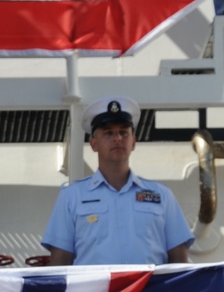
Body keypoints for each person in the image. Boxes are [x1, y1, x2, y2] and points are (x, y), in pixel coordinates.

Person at [41, 97, 192, 266]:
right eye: (108, 133)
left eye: (123, 132)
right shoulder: (71, 197)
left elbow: (179, 259)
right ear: (94, 144)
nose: (117, 138)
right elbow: (60, 262)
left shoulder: (162, 196)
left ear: (133, 142)